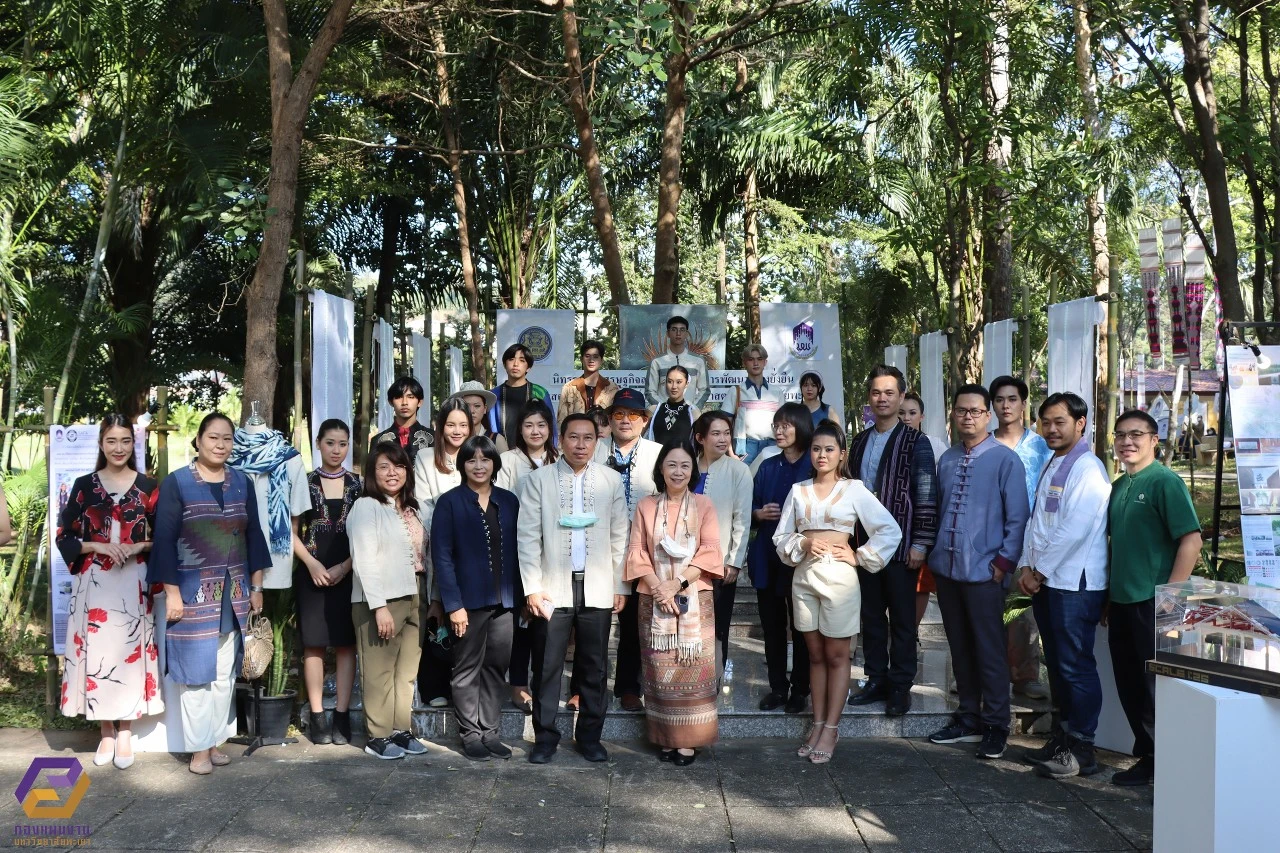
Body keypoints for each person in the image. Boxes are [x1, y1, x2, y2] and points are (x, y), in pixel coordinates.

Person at [148, 413, 270, 775]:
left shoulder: (241, 483)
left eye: (227, 439)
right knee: (196, 675)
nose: (220, 445)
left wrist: (257, 586)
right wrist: (171, 593)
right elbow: (164, 543)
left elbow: (255, 537)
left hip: (234, 594)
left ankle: (215, 741)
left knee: (223, 674)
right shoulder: (178, 483)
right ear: (198, 440)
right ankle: (199, 749)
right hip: (191, 594)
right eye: (213, 438)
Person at [775, 421, 902, 764]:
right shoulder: (798, 491)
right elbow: (780, 537)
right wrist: (803, 541)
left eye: (829, 449)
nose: (822, 455)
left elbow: (889, 530)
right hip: (804, 578)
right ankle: (817, 724)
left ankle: (832, 727)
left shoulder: (854, 489)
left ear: (842, 454)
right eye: (816, 448)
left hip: (841, 581)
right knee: (814, 656)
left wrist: (859, 555)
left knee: (837, 656)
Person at [518, 413, 629, 764]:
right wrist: (532, 588)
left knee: (594, 665)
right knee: (548, 664)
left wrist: (620, 586)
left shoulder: (611, 480)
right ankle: (546, 737)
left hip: (597, 585)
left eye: (588, 438)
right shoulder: (539, 480)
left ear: (597, 442)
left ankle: (590, 737)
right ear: (560, 440)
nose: (580, 445)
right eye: (573, 437)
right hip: (552, 587)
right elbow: (527, 537)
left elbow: (619, 536)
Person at [926, 385, 1030, 761]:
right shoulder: (948, 459)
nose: (967, 417)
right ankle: (968, 718)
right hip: (949, 572)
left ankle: (996, 725)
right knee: (960, 648)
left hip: (986, 575)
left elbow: (1017, 519)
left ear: (988, 415)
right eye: (960, 411)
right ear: (953, 415)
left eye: (975, 411)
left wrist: (1002, 565)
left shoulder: (1005, 460)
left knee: (989, 651)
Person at [1013, 393, 1110, 779]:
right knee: (1059, 665)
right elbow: (1037, 520)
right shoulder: (1055, 462)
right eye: (1046, 422)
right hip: (1049, 581)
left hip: (1075, 585)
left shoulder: (1089, 469)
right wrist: (1025, 563)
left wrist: (1038, 572)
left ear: (1080, 423)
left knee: (1075, 666)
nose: (1051, 429)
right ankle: (1063, 738)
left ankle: (1083, 748)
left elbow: (1073, 530)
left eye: (1060, 422)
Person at [58, 415, 159, 770]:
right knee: (99, 652)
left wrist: (135, 548)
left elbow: (163, 537)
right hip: (94, 583)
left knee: (130, 651)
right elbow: (64, 536)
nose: (119, 448)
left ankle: (127, 731)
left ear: (134, 445)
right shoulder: (84, 486)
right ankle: (105, 731)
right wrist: (97, 547)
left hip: (133, 582)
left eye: (126, 441)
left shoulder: (148, 487)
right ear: (101, 444)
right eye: (112, 441)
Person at [1106, 409, 1201, 786]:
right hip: (1122, 601)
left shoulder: (1164, 482)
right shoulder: (1118, 486)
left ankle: (1169, 766)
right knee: (1129, 684)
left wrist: (1171, 595)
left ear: (1154, 440)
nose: (1127, 442)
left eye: (1136, 435)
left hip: (1154, 603)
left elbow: (1190, 540)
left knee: (1155, 688)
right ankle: (1148, 757)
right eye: (1120, 435)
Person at [846, 366, 938, 717]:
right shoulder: (859, 441)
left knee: (901, 619)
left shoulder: (917, 442)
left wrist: (921, 543)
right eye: (875, 393)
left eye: (889, 393)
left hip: (902, 549)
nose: (881, 398)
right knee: (870, 616)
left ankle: (900, 686)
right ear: (869, 398)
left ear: (901, 397)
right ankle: (875, 679)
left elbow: (927, 495)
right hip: (863, 546)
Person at [625, 442, 722, 765]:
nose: (678, 472)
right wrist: (659, 589)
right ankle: (665, 737)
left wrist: (676, 584)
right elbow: (637, 552)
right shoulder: (646, 505)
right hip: (653, 598)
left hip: (694, 594)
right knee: (659, 670)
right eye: (671, 465)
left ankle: (690, 740)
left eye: (684, 466)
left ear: (692, 471)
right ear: (661, 470)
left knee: (693, 667)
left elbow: (710, 550)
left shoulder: (704, 504)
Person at [432, 436, 521, 761]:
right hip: (467, 604)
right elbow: (441, 557)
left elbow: (519, 550)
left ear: (495, 464)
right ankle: (470, 734)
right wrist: (453, 605)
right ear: (463, 464)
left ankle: (490, 732)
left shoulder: (509, 501)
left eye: (486, 459)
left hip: (505, 602)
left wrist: (521, 599)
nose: (479, 465)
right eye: (472, 460)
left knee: (496, 668)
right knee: (467, 669)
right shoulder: (450, 502)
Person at [349, 443, 427, 760]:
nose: (392, 472)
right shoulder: (366, 507)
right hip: (380, 599)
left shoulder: (412, 508)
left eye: (398, 466)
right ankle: (377, 735)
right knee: (378, 671)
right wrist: (378, 606)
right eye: (383, 466)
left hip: (415, 594)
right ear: (371, 473)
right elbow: (364, 559)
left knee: (406, 672)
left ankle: (399, 729)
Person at [290, 419, 360, 747]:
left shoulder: (359, 486)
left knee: (346, 644)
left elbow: (367, 535)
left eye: (342, 444)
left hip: (349, 574)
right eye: (330, 443)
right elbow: (289, 533)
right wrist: (312, 563)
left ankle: (342, 715)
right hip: (311, 574)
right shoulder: (303, 483)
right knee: (314, 644)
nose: (336, 450)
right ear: (318, 443)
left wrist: (346, 566)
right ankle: (318, 716)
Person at [593, 387, 661, 712]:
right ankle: (587, 686)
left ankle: (629, 687)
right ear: (609, 419)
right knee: (593, 620)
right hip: (599, 549)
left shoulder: (657, 453)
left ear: (644, 421)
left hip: (643, 551)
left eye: (633, 415)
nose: (625, 420)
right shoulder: (593, 451)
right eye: (618, 414)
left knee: (635, 623)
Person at [748, 403, 815, 713]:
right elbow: (749, 508)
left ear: (801, 427)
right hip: (767, 555)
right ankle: (777, 687)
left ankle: (801, 689)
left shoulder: (814, 467)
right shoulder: (767, 465)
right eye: (776, 425)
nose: (779, 430)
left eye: (787, 425)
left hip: (802, 558)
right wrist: (757, 514)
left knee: (802, 626)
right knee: (771, 626)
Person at [990, 375, 1052, 700]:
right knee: (986, 614)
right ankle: (983, 674)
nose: (1005, 405)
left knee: (1020, 612)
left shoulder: (1041, 447)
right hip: (989, 543)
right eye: (999, 400)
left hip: (1027, 546)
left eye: (1012, 399)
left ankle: (1024, 676)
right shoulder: (984, 446)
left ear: (1023, 404)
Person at [494, 400, 558, 713]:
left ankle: (544, 683)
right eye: (529, 425)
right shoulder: (507, 461)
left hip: (555, 555)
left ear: (550, 429)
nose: (535, 431)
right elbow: (501, 507)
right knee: (523, 621)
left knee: (549, 624)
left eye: (541, 425)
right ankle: (518, 685)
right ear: (520, 429)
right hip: (519, 551)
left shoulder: (558, 459)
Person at [412, 398, 472, 707]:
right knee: (434, 614)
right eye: (451, 424)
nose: (457, 430)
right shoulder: (424, 458)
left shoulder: (477, 454)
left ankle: (461, 685)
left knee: (465, 617)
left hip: (470, 548)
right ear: (440, 427)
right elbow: (424, 506)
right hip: (433, 540)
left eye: (463, 424)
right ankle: (433, 685)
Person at [691, 412, 752, 676]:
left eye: (726, 433)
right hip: (685, 564)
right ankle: (687, 680)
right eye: (715, 433)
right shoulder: (688, 465)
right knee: (688, 624)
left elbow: (743, 519)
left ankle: (713, 681)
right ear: (700, 438)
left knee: (717, 625)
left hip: (720, 564)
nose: (722, 438)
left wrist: (734, 562)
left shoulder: (738, 470)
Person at [900, 391, 948, 627]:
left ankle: (913, 632)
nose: (906, 418)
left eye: (912, 413)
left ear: (922, 416)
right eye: (902, 413)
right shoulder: (886, 443)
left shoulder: (934, 445)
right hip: (894, 526)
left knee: (920, 584)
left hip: (922, 525)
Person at [723, 344, 784, 465]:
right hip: (745, 447)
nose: (756, 363)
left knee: (770, 483)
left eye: (759, 359)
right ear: (744, 363)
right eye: (751, 359)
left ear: (765, 362)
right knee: (745, 483)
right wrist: (729, 451)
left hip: (772, 445)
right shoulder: (736, 391)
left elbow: (784, 423)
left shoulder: (776, 392)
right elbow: (725, 425)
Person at [488, 344, 554, 446]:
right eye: (511, 359)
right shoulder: (494, 395)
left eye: (522, 360)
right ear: (505, 365)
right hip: (502, 453)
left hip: (535, 453)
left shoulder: (539, 392)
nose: (515, 364)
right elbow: (491, 428)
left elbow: (551, 425)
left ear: (528, 367)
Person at [645, 315, 710, 408]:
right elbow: (650, 392)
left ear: (687, 334)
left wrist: (692, 408)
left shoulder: (698, 361)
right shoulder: (657, 362)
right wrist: (663, 408)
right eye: (674, 329)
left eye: (682, 330)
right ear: (668, 333)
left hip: (689, 416)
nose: (678, 333)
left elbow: (704, 390)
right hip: (664, 415)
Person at [559, 339, 618, 427]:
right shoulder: (569, 387)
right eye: (587, 356)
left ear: (601, 360)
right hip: (576, 436)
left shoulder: (612, 388)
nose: (591, 360)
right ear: (581, 359)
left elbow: (615, 419)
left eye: (595, 356)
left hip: (604, 438)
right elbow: (561, 421)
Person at [370, 376, 433, 459]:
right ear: (391, 402)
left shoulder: (434, 438)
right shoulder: (378, 441)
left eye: (410, 397)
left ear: (420, 402)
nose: (404, 402)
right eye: (398, 397)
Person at [646, 365, 700, 446]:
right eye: (670, 381)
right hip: (657, 458)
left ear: (686, 384)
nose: (674, 386)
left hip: (683, 458)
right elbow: (637, 438)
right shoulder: (654, 410)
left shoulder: (693, 414)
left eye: (679, 382)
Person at [450, 381, 503, 451]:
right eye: (467, 406)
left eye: (477, 406)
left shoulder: (496, 440)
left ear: (485, 409)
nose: (472, 411)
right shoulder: (453, 438)